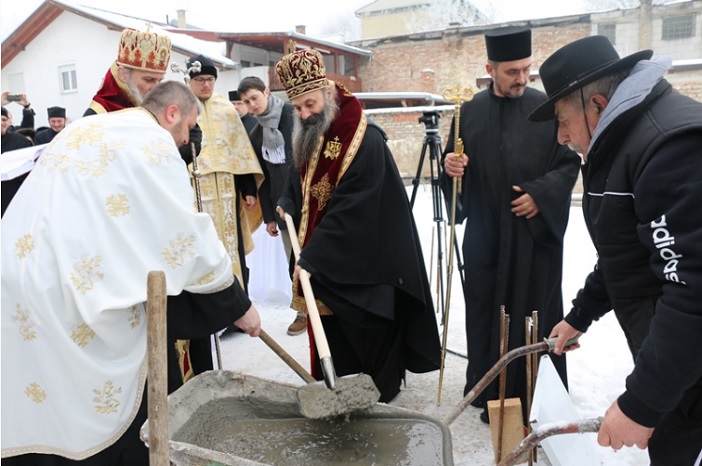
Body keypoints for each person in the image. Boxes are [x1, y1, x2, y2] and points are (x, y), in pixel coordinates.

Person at [1, 81, 262, 466]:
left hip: (18, 277)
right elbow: (183, 235)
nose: (187, 140)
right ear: (172, 114)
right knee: (107, 397)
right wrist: (237, 304)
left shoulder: (88, 128)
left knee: (47, 391)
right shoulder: (152, 142)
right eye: (189, 127)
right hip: (70, 292)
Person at [529, 36, 702, 465]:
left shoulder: (670, 148)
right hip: (678, 364)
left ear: (598, 104)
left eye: (562, 119)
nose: (561, 135)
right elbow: (625, 251)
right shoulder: (626, 142)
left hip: (689, 364)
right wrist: (580, 315)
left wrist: (641, 404)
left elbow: (693, 293)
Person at [275, 49, 441, 402]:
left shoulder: (363, 140)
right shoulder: (313, 129)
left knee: (366, 337)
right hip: (327, 259)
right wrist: (287, 202)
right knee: (335, 338)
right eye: (298, 108)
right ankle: (340, 396)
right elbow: (300, 177)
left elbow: (354, 208)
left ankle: (378, 401)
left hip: (367, 262)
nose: (304, 114)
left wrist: (312, 257)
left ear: (328, 92)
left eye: (309, 104)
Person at [440, 26, 581, 423]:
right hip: (485, 237)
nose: (522, 78)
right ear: (490, 69)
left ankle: (539, 398)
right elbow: (452, 176)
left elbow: (570, 163)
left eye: (526, 70)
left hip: (533, 241)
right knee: (486, 312)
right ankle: (488, 391)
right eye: (512, 72)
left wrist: (541, 194)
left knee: (534, 316)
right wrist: (450, 169)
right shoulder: (467, 112)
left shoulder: (547, 108)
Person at [185, 54, 264, 305]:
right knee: (205, 248)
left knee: (234, 248)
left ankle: (238, 307)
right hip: (196, 189)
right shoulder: (182, 108)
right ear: (190, 80)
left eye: (209, 79)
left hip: (228, 190)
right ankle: (211, 309)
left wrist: (248, 189)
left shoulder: (226, 110)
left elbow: (239, 151)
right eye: (199, 79)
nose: (205, 84)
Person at [237, 76, 306, 336]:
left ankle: (330, 306)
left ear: (266, 91)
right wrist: (268, 217)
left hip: (307, 200)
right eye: (246, 101)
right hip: (282, 209)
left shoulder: (293, 115)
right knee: (295, 259)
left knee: (318, 254)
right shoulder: (256, 134)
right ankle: (304, 311)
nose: (252, 104)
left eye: (254, 97)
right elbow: (262, 178)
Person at [84, 28, 171, 115]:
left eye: (160, 81)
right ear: (123, 74)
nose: (156, 88)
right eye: (148, 79)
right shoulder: (96, 115)